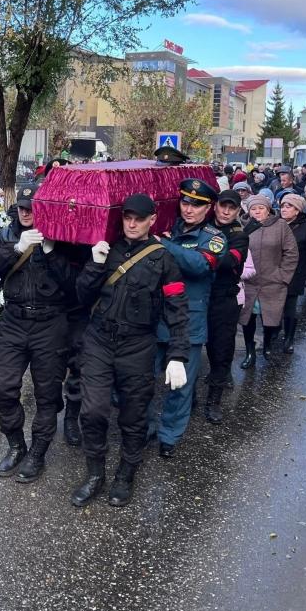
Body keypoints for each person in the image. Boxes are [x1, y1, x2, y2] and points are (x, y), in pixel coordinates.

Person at [71, 194, 190, 508]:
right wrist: (95, 264)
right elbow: (81, 297)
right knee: (93, 411)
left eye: (139, 218)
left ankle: (126, 473)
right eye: (127, 217)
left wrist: (178, 355)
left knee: (134, 415)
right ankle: (95, 473)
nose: (132, 224)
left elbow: (177, 309)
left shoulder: (163, 259)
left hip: (137, 345)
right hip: (99, 340)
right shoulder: (106, 249)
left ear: (153, 220)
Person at [0, 182, 76, 482]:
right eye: (21, 208)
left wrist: (51, 251)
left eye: (31, 209)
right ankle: (16, 444)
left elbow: (75, 284)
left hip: (50, 323)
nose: (25, 214)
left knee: (47, 393)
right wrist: (16, 249)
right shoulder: (6, 235)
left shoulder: (62, 237)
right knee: (3, 385)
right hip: (15, 320)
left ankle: (38, 452)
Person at [154, 179, 228, 454]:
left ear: (208, 208)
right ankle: (146, 428)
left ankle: (169, 436)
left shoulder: (214, 238)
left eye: (196, 205)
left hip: (188, 322)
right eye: (185, 202)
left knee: (180, 386)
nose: (189, 209)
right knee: (142, 379)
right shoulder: (168, 227)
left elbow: (199, 265)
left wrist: (165, 245)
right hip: (157, 316)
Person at [202, 189, 250, 423]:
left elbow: (228, 261)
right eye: (223, 206)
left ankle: (214, 401)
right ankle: (188, 396)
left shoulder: (239, 235)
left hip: (223, 297)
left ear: (238, 210)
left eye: (232, 208)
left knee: (220, 349)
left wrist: (197, 254)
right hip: (201, 294)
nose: (226, 211)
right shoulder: (202, 223)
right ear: (215, 206)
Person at [239, 195, 298, 367]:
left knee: (270, 318)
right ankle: (250, 351)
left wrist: (283, 276)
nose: (257, 212)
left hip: (273, 282)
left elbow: (291, 252)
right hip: (249, 283)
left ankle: (267, 345)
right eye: (253, 209)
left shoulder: (280, 226)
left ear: (268, 210)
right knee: (247, 319)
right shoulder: (242, 226)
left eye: (261, 208)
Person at [278, 194, 306, 354]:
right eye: (283, 206)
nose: (284, 209)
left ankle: (289, 338)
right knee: (274, 307)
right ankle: (274, 333)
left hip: (295, 274)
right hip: (275, 273)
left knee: (290, 308)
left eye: (289, 206)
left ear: (297, 210)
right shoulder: (276, 224)